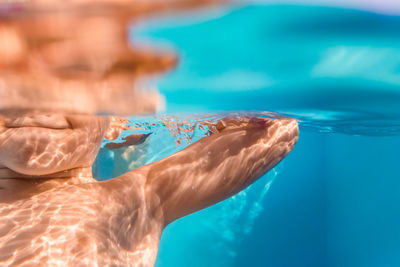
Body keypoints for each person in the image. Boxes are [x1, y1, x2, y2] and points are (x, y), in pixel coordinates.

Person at [0, 109, 298, 266]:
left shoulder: (135, 199)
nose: (36, 103)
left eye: (70, 86)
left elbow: (278, 129)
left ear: (115, 122)